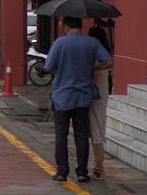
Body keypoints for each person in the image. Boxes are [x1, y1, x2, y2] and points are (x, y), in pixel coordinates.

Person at [45, 15, 112, 183]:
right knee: (81, 134)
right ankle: (82, 172)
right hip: (83, 95)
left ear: (67, 26)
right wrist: (95, 66)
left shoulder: (59, 43)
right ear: (81, 25)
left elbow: (48, 66)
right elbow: (109, 61)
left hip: (62, 96)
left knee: (61, 135)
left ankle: (62, 172)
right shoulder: (92, 43)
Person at [88, 18, 113, 180]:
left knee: (95, 129)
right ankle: (97, 165)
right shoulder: (105, 55)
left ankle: (98, 167)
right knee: (97, 127)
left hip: (95, 94)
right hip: (102, 94)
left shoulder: (97, 57)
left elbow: (95, 77)